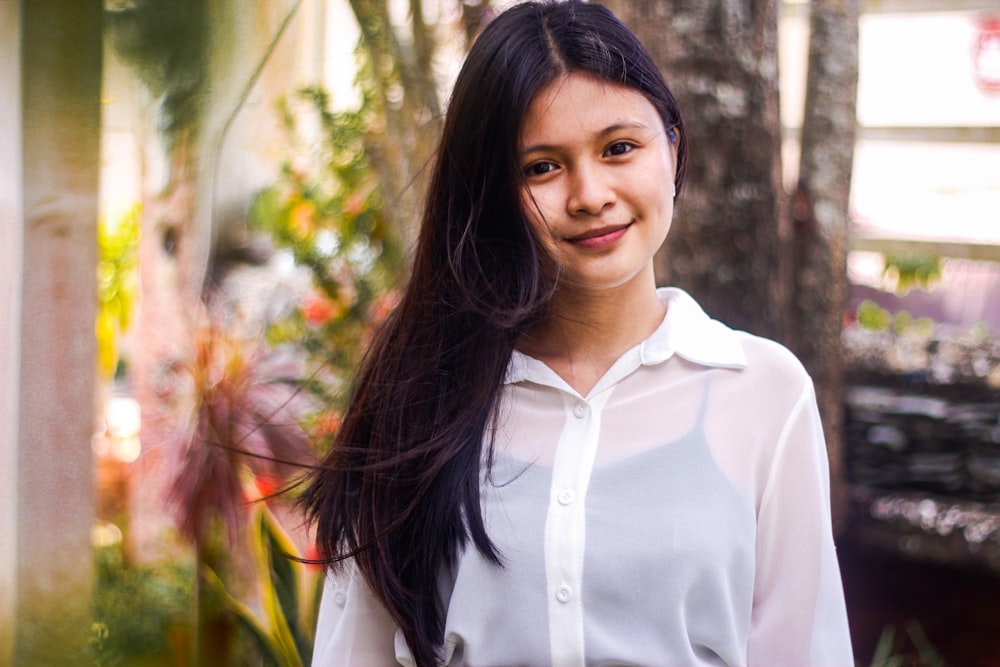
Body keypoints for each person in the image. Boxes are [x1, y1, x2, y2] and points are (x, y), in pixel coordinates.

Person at [302, 1, 854, 665]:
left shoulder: (764, 393)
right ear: (493, 193)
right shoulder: (419, 395)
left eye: (619, 148)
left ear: (672, 148)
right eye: (543, 166)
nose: (589, 193)